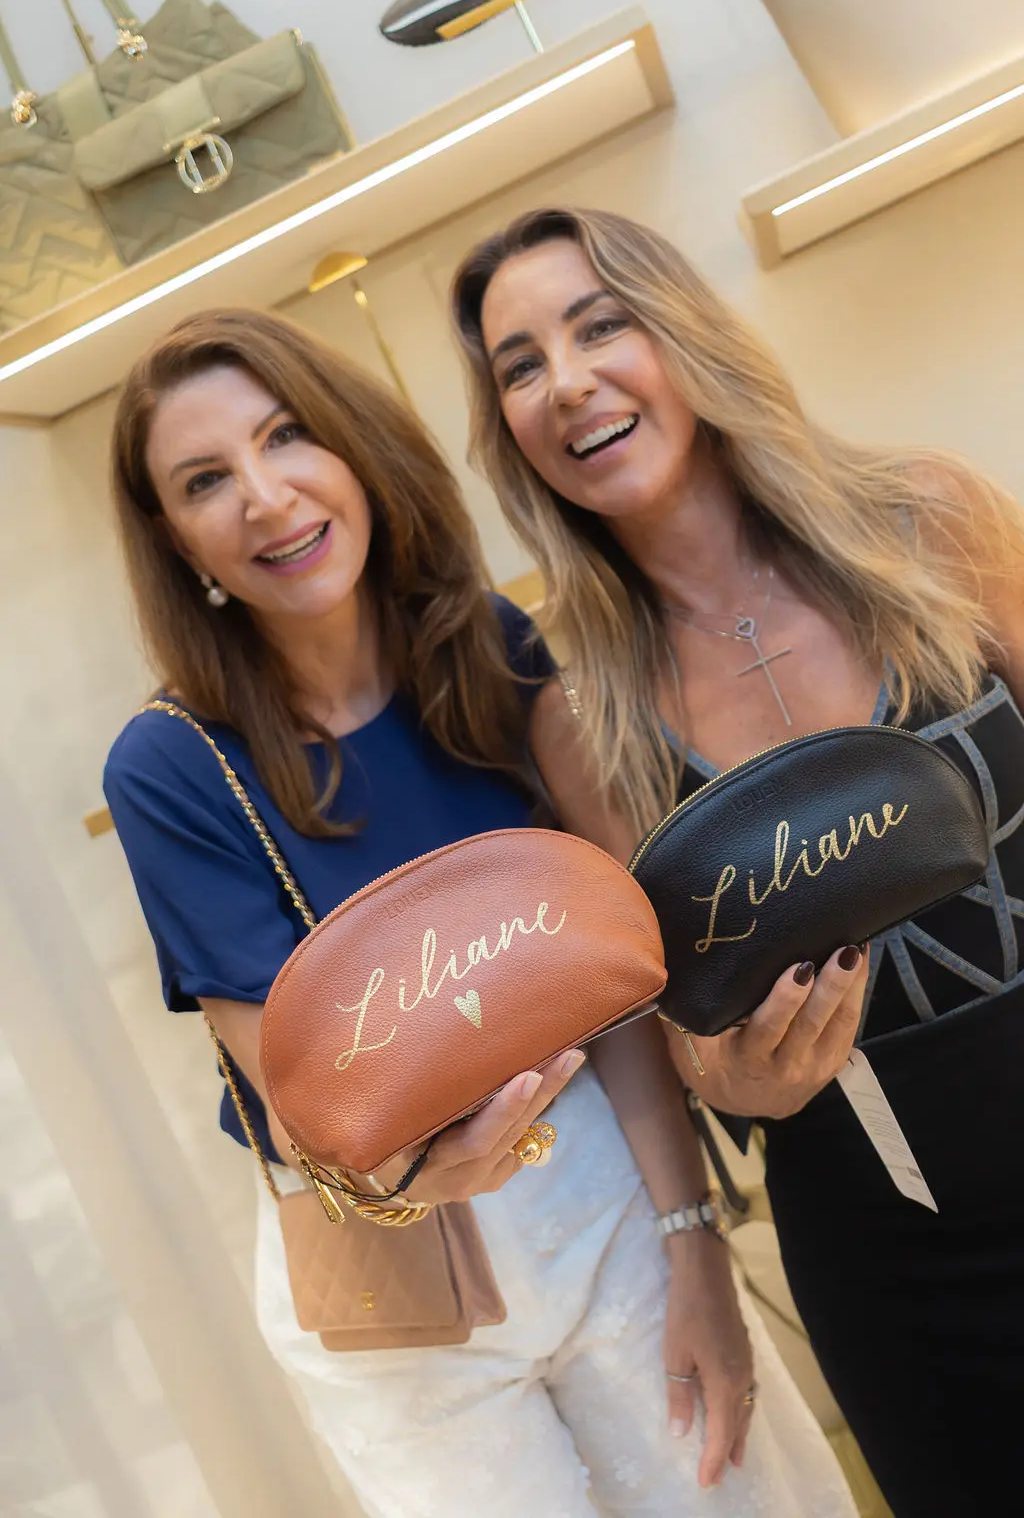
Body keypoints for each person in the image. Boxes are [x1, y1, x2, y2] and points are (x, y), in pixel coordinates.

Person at [104, 308, 857, 1517]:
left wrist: (692, 1239)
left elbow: (614, 986)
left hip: (597, 1195)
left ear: (352, 448)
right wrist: (412, 1178)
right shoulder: (170, 768)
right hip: (398, 1287)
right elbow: (304, 1113)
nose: (264, 496)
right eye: (204, 480)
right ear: (174, 537)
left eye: (286, 436)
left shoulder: (491, 654)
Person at [451, 203, 1024, 1518]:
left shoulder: (928, 520)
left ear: (684, 336)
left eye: (600, 325)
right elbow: (678, 1041)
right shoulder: (584, 720)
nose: (567, 382)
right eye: (521, 366)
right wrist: (739, 1084)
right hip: (901, 1262)